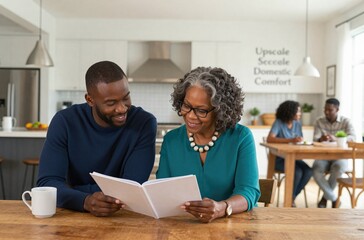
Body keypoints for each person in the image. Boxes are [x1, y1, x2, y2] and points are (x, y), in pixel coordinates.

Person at [37, 61, 157, 216]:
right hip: (71, 215)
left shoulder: (144, 123)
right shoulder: (65, 122)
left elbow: (131, 188)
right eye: (111, 103)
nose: (122, 108)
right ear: (90, 100)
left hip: (120, 216)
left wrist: (73, 191)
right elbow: (48, 183)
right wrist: (85, 201)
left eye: (126, 98)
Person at [156, 67, 260, 223]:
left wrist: (222, 208)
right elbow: (162, 190)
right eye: (186, 106)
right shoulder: (171, 140)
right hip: (184, 225)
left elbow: (248, 191)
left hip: (233, 225)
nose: (191, 115)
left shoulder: (240, 137)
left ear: (220, 110)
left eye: (201, 110)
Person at [267, 100, 312, 207]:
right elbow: (270, 139)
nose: (300, 114)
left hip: (294, 158)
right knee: (297, 172)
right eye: (298, 112)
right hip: (279, 159)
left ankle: (292, 197)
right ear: (290, 112)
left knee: (309, 171)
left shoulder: (298, 124)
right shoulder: (278, 122)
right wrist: (290, 140)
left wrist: (298, 140)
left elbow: (299, 139)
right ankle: (289, 200)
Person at [313, 98, 356, 208]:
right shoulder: (319, 121)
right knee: (316, 169)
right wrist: (321, 138)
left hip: (341, 156)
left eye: (330, 110)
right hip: (323, 156)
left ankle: (325, 198)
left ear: (337, 109)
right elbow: (315, 138)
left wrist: (337, 138)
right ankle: (334, 199)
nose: (327, 112)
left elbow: (353, 137)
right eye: (325, 109)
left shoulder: (346, 121)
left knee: (338, 167)